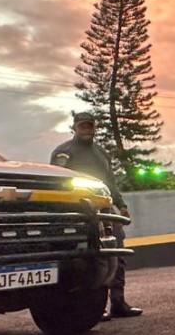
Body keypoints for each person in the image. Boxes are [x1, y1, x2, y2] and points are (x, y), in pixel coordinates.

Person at [50, 111, 143, 320]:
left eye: (90, 126)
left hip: (105, 210)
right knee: (89, 258)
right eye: (82, 126)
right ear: (74, 128)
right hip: (79, 213)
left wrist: (121, 205)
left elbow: (110, 182)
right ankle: (93, 306)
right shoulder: (64, 152)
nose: (86, 130)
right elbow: (56, 182)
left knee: (116, 252)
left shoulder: (101, 153)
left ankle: (118, 302)